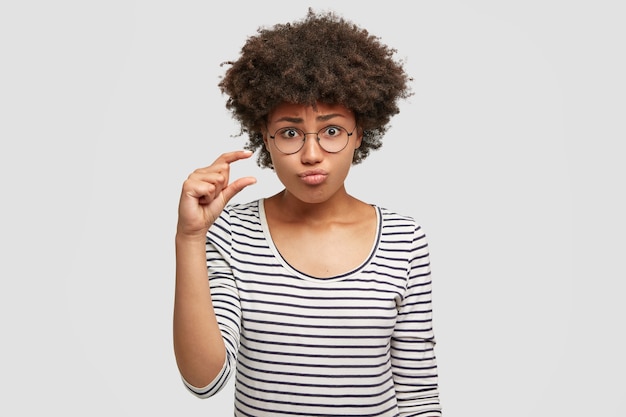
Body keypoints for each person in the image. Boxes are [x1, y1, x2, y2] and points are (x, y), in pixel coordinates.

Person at [173, 8, 442, 416]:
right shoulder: (232, 232)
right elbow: (205, 381)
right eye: (290, 132)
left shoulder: (404, 239)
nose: (311, 155)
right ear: (264, 135)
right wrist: (190, 238)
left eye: (332, 131)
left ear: (360, 134)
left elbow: (418, 396)